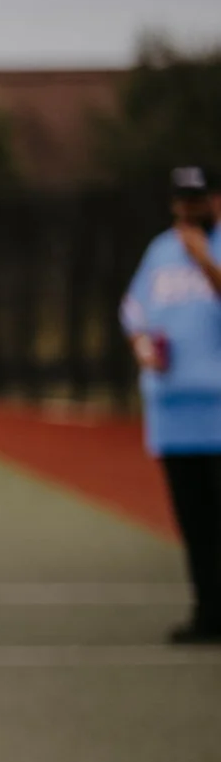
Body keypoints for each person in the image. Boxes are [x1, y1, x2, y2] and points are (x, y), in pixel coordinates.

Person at [120, 164, 221, 643]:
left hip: (218, 407)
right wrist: (141, 342)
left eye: (198, 198)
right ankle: (208, 613)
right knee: (195, 520)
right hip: (173, 411)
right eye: (182, 200)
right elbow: (135, 311)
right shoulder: (160, 251)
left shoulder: (209, 250)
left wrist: (205, 261)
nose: (189, 208)